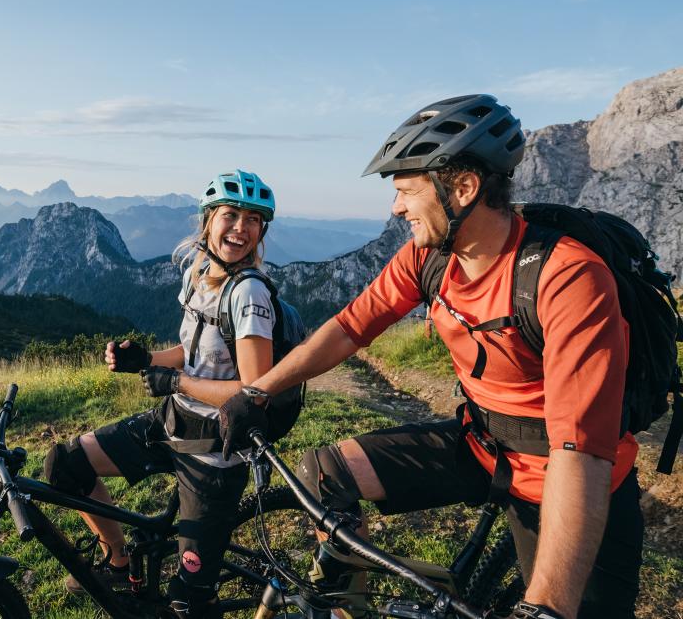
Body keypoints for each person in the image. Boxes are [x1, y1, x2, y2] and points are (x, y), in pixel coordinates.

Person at [218, 95, 643, 619]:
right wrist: (258, 391)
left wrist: (547, 607)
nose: (395, 208)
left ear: (462, 187)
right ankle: (347, 604)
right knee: (327, 473)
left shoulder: (566, 277)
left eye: (405, 192)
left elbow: (582, 450)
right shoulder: (430, 256)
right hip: (481, 443)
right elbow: (351, 327)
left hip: (563, 473)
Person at [43, 169, 282, 618]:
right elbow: (191, 354)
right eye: (230, 215)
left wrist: (175, 382)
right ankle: (116, 560)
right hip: (173, 422)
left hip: (216, 450)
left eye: (253, 220)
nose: (240, 228)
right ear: (208, 221)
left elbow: (255, 391)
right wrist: (149, 359)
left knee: (187, 605)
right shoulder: (200, 276)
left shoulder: (248, 294)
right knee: (67, 465)